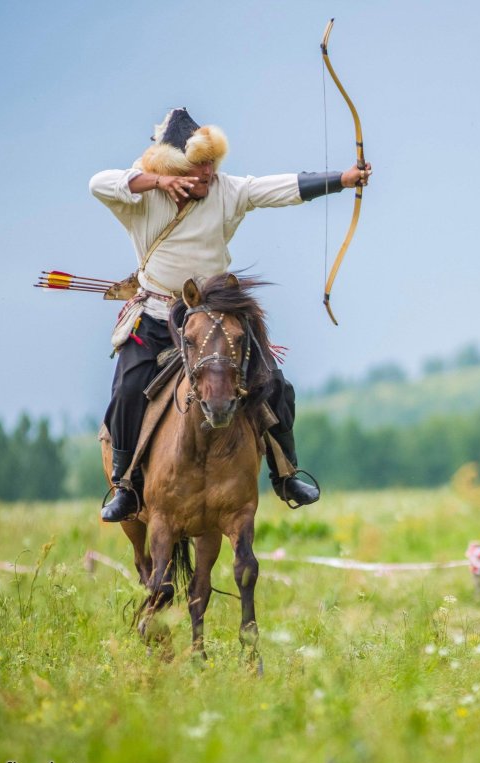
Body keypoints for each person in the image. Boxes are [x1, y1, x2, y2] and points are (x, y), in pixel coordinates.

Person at [90, 107, 370, 522]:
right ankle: (126, 486)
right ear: (171, 168)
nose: (206, 173)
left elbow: (274, 188)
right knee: (127, 391)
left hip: (214, 319)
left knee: (274, 383)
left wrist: (342, 180)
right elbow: (99, 183)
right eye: (195, 166)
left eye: (210, 163)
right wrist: (158, 182)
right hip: (154, 318)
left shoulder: (226, 190)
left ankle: (285, 472)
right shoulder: (142, 200)